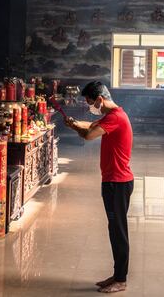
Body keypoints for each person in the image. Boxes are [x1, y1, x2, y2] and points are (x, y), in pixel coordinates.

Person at [65, 81, 133, 294]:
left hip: (117, 183)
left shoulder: (115, 118)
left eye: (90, 103)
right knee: (114, 229)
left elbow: (89, 135)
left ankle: (121, 279)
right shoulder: (114, 115)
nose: (90, 108)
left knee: (118, 231)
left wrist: (74, 127)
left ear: (100, 100)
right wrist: (76, 123)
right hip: (114, 181)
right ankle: (117, 274)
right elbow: (91, 126)